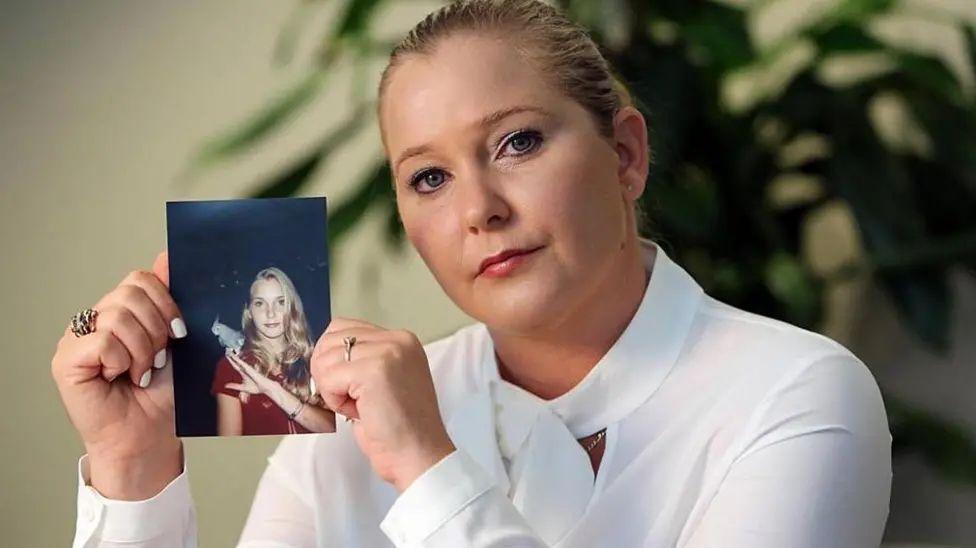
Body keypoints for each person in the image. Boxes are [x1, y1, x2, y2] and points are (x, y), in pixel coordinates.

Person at [51, 1, 892, 546]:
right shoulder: (335, 427)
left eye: (518, 142)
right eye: (429, 177)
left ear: (626, 155)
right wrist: (130, 469)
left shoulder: (798, 392)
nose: (478, 208)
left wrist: (425, 466)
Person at [211, 266, 336, 436]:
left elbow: (336, 429)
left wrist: (273, 390)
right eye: (260, 303)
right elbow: (228, 446)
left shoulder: (316, 359)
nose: (271, 313)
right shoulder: (233, 367)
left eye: (281, 302)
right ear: (249, 312)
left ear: (292, 307)